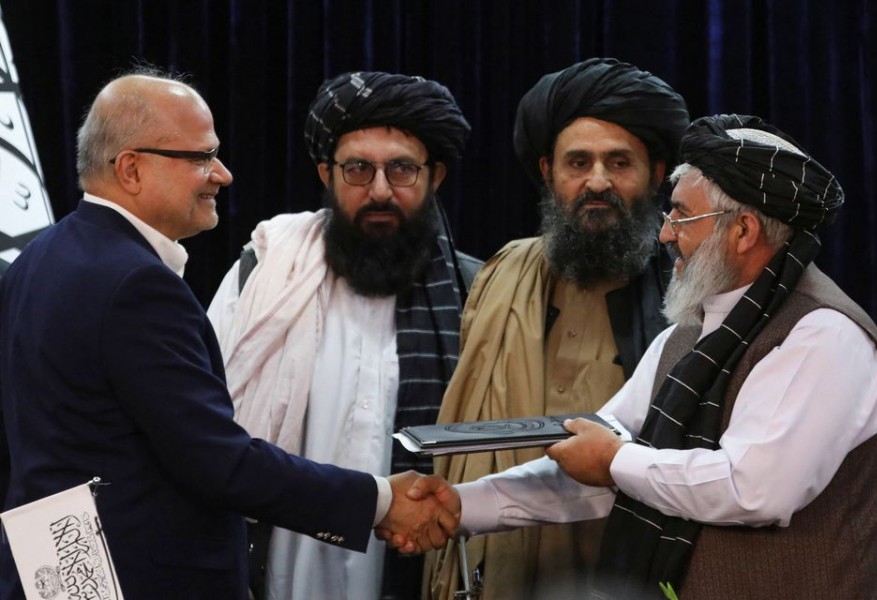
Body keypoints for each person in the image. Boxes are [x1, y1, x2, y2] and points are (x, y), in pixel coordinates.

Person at [0, 68, 457, 600]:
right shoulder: (136, 284)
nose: (222, 174)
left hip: (52, 575)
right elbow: (218, 463)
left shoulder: (38, 259)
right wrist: (378, 500)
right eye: (199, 157)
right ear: (130, 168)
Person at [404, 114, 877, 599]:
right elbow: (597, 464)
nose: (666, 234)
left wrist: (616, 461)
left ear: (744, 230)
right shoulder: (684, 338)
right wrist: (463, 505)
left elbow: (752, 490)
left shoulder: (823, 335)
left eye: (683, 215)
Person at [206, 71, 480, 600]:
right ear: (326, 174)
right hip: (278, 570)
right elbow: (208, 425)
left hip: (413, 573)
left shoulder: (476, 292)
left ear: (435, 177)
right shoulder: (263, 274)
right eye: (358, 169)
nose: (380, 190)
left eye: (401, 169)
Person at [426, 58, 690, 599]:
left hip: (625, 569)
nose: (598, 181)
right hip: (500, 560)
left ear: (657, 174)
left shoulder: (691, 297)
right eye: (579, 162)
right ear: (547, 171)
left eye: (620, 162)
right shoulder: (505, 274)